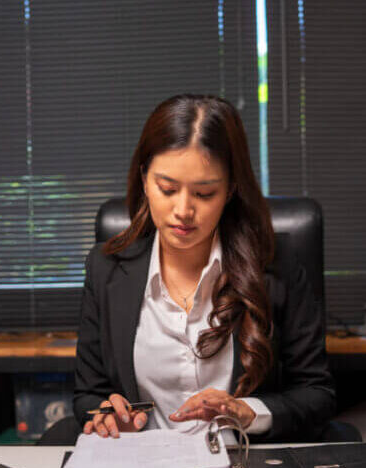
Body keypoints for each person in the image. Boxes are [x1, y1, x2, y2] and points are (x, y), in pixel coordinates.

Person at [73, 94, 336, 443]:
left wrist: (249, 412)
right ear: (144, 180)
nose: (183, 210)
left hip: (243, 463)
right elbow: (87, 396)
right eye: (167, 188)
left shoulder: (278, 267)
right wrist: (107, 415)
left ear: (230, 191)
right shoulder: (106, 267)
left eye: (204, 193)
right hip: (142, 464)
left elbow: (317, 395)